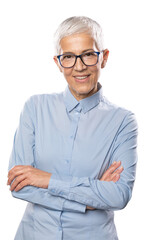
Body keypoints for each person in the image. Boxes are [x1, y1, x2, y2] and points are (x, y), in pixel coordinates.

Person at [7, 16, 138, 240]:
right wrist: (88, 202)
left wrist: (48, 180)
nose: (79, 67)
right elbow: (20, 185)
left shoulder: (123, 121)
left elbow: (118, 195)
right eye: (68, 57)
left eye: (88, 54)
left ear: (103, 58)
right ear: (58, 63)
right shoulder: (35, 108)